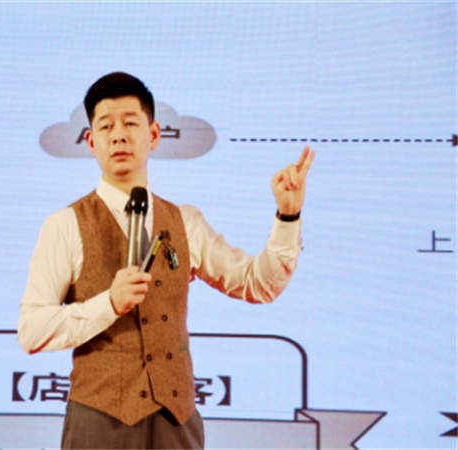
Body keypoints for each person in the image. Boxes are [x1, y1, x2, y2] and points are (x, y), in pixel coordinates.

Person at [18, 72, 314, 449]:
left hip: (178, 422)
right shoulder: (64, 225)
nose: (119, 135)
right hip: (98, 421)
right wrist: (108, 304)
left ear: (154, 134)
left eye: (130, 123)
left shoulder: (184, 221)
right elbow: (31, 330)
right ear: (91, 142)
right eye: (106, 126)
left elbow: (258, 284)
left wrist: (288, 216)